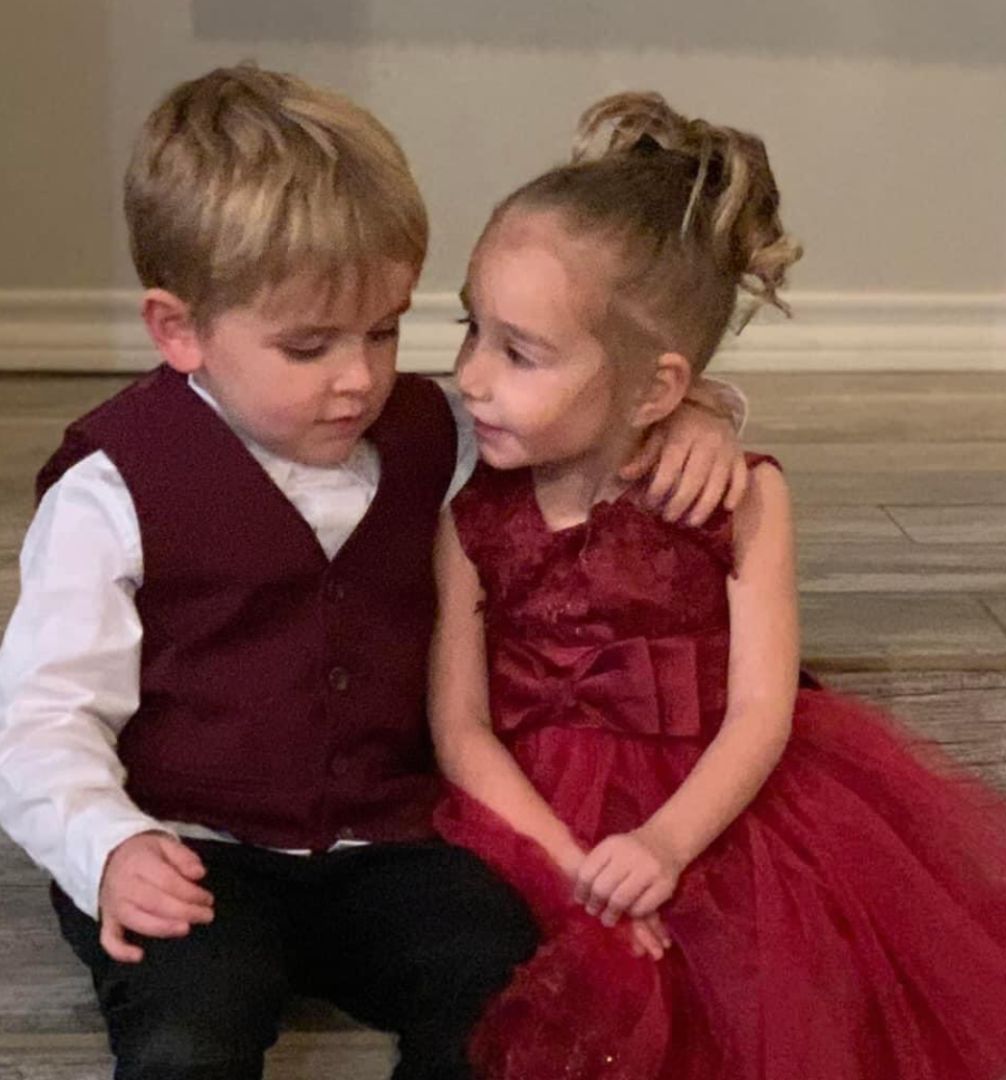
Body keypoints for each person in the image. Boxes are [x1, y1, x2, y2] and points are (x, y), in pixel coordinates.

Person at [0, 70, 749, 1080]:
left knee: (505, 988)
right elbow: (40, 719)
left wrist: (696, 409)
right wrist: (108, 848)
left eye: (388, 329)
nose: (360, 376)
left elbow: (573, 413)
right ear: (179, 330)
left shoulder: (431, 430)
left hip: (390, 839)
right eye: (310, 346)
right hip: (192, 845)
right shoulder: (111, 489)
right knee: (185, 1041)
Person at [430, 90, 1006, 1079]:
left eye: (518, 353)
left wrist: (663, 843)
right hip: (529, 820)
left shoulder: (743, 501)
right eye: (471, 329)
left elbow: (762, 712)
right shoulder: (469, 519)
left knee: (751, 988)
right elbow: (462, 730)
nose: (472, 378)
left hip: (708, 811)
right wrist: (568, 871)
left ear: (659, 387)